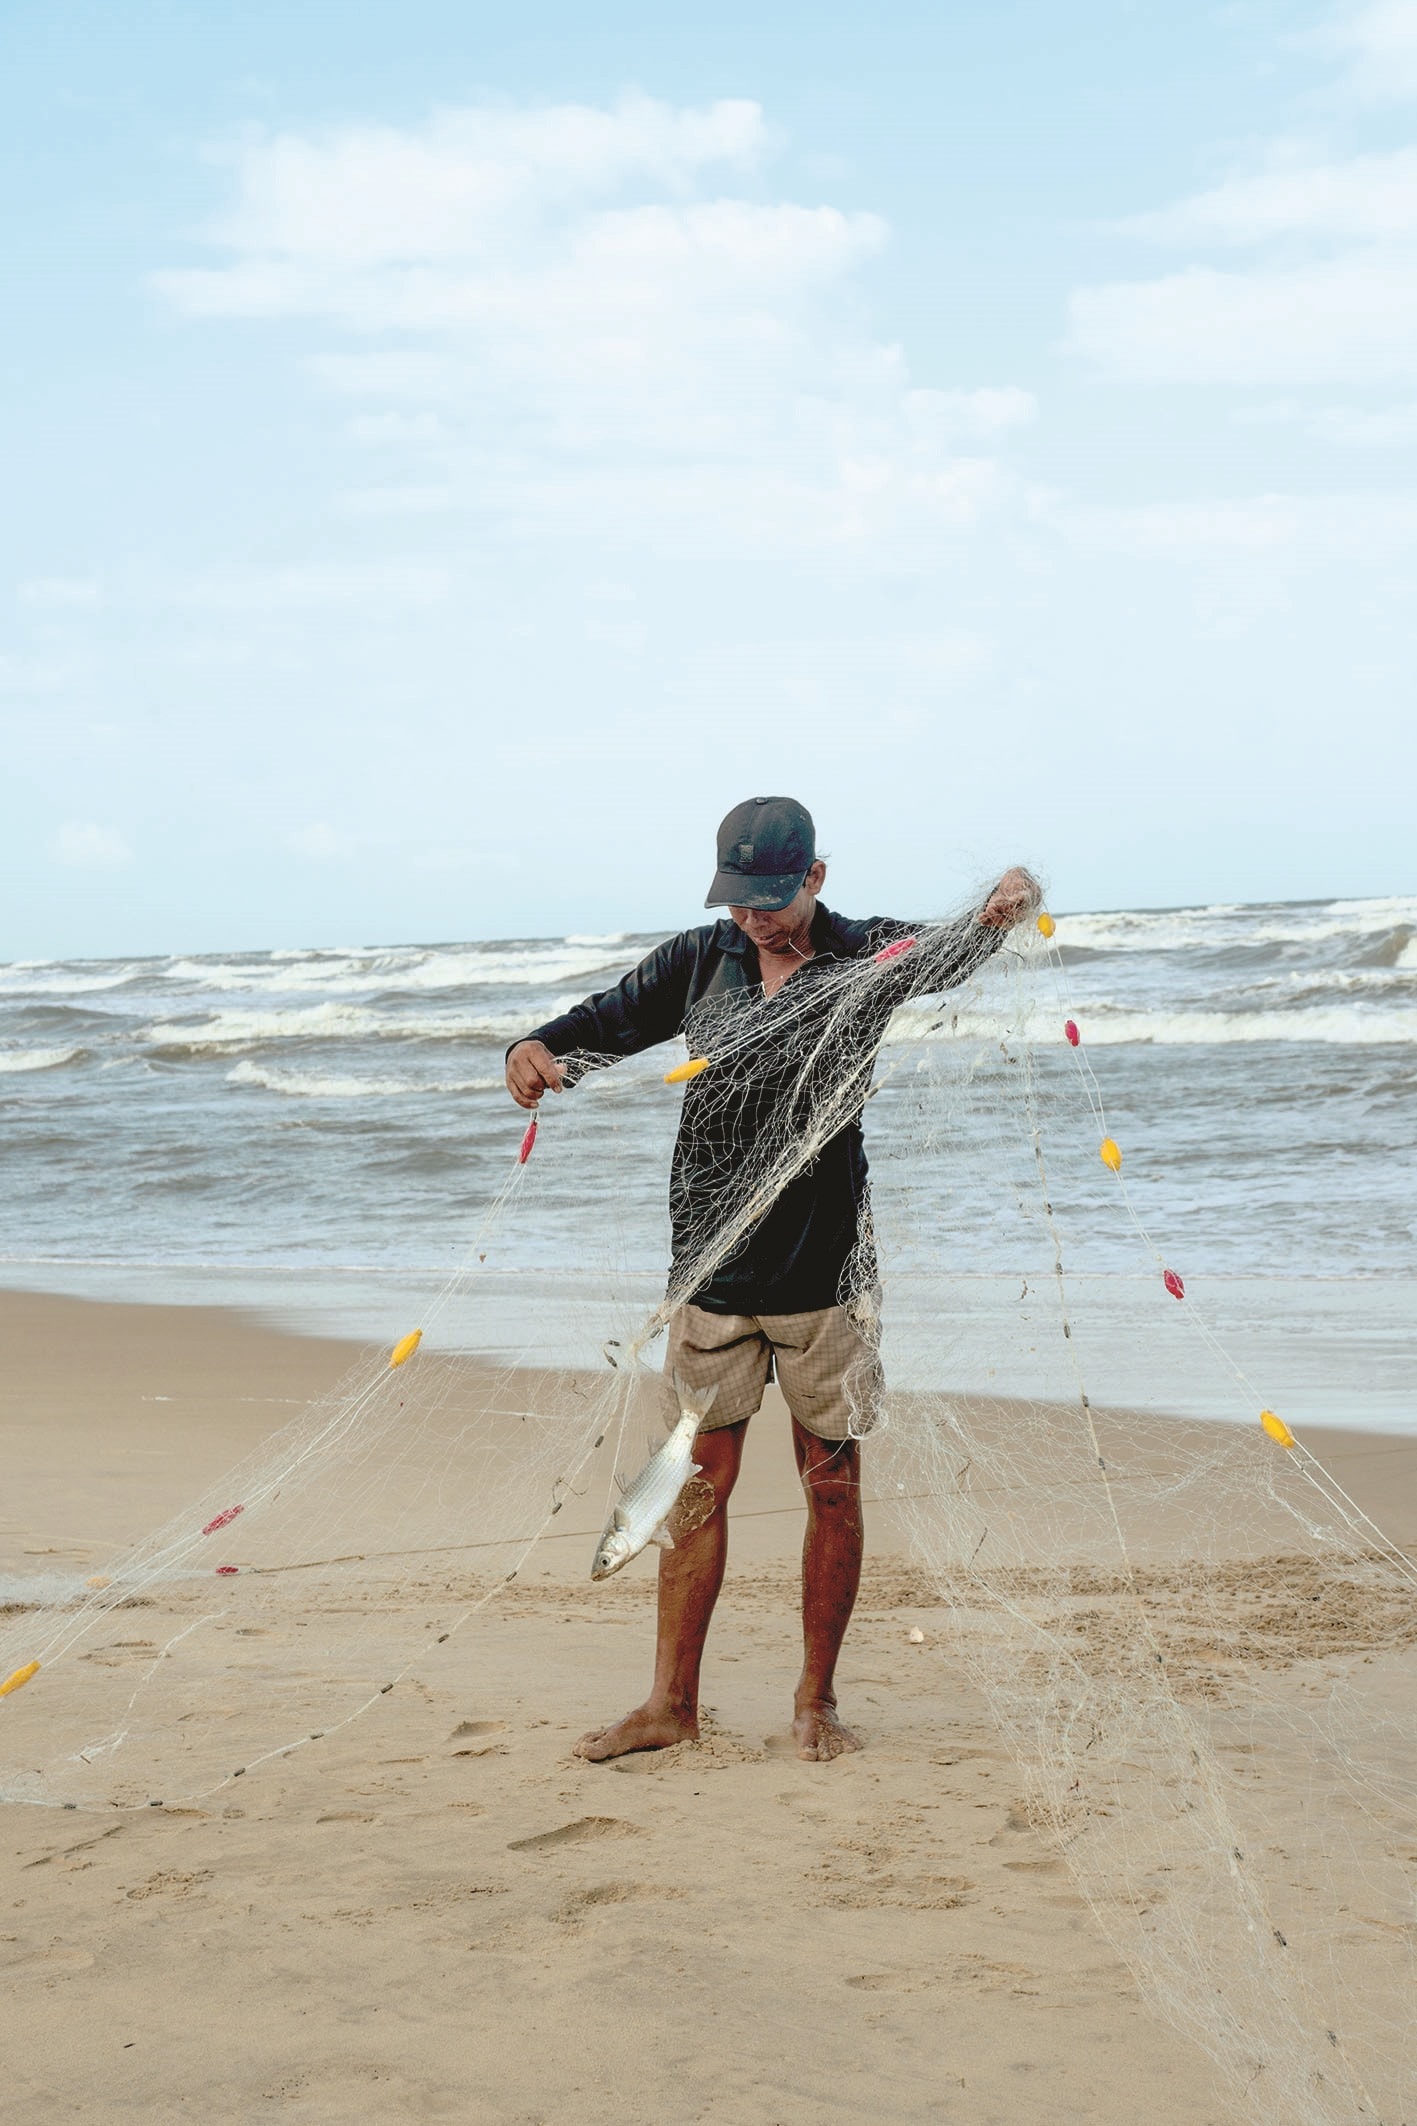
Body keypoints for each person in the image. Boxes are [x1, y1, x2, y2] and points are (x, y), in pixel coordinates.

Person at [505, 796, 1037, 1762]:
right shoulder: (695, 962)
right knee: (696, 1484)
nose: (756, 917)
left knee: (830, 1483)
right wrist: (534, 1048)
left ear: (815, 878)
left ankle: (815, 1702)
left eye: (773, 898)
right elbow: (604, 1024)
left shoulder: (863, 958)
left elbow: (950, 950)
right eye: (739, 899)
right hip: (711, 1270)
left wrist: (999, 909)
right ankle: (670, 1703)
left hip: (828, 1276)